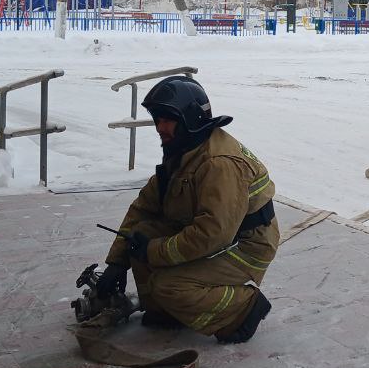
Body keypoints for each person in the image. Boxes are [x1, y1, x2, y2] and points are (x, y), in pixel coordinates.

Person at [95, 74, 278, 343]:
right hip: (223, 237)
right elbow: (143, 209)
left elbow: (213, 234)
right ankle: (166, 312)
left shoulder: (219, 164)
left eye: (167, 120)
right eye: (158, 120)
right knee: (141, 234)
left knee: (169, 285)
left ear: (190, 119)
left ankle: (243, 308)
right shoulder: (185, 150)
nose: (160, 127)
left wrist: (154, 251)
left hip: (245, 248)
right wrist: (117, 262)